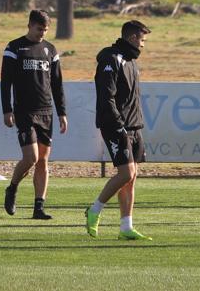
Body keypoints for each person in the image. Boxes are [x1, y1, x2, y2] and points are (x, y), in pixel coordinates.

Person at [85, 20, 153, 241]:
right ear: (132, 38)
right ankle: (94, 209)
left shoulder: (131, 62)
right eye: (142, 40)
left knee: (131, 178)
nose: (143, 45)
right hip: (116, 125)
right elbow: (107, 97)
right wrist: (118, 125)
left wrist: (135, 123)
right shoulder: (111, 59)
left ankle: (126, 227)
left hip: (134, 125)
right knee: (126, 173)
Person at [0, 9, 67, 220]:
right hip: (24, 111)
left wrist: (62, 113)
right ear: (29, 25)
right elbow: (5, 82)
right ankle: (12, 188)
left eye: (45, 30)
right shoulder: (15, 48)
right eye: (39, 29)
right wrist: (7, 110)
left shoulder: (50, 49)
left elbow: (57, 84)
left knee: (43, 161)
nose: (42, 34)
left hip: (46, 111)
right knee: (31, 157)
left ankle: (39, 207)